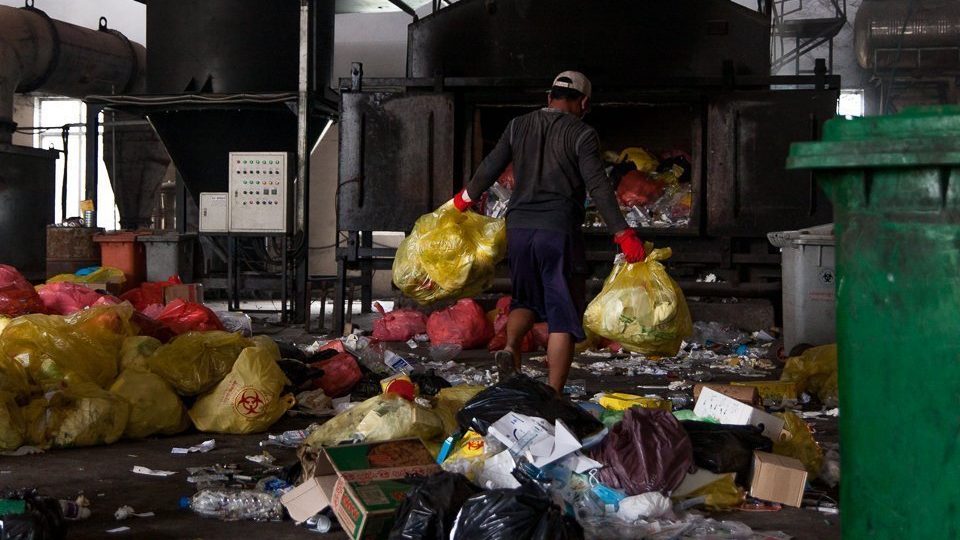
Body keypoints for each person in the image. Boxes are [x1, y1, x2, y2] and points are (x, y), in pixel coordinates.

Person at [451, 70, 646, 393]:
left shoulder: (517, 125)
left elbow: (490, 166)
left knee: (524, 300)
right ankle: (554, 393)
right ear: (584, 103)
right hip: (557, 232)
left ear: (548, 98)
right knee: (562, 315)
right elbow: (598, 186)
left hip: (519, 230)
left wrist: (462, 200)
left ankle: (511, 347)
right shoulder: (582, 134)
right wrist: (622, 233)